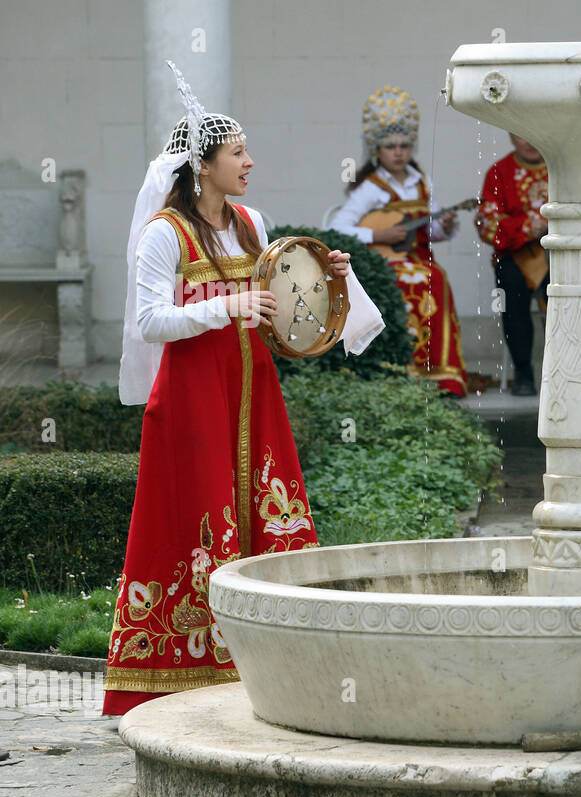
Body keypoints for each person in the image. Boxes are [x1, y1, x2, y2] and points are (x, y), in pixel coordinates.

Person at [104, 62, 381, 716]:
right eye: (238, 153)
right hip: (192, 402)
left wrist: (329, 276)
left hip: (256, 395)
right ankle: (184, 675)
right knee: (197, 522)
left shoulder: (252, 224)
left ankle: (274, 661)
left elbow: (290, 302)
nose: (250, 161)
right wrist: (224, 308)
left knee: (267, 511)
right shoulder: (163, 236)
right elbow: (147, 324)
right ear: (203, 166)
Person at [328, 85, 467, 395]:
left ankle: (437, 373)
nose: (399, 152)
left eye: (404, 145)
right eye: (390, 146)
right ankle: (398, 369)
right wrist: (378, 235)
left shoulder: (423, 182)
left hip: (420, 258)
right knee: (409, 280)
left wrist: (443, 225)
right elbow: (339, 227)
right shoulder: (371, 188)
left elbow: (429, 233)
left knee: (437, 278)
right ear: (377, 150)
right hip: (384, 263)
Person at [477, 134, 549, 396]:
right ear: (509, 134)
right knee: (511, 288)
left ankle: (567, 371)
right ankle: (523, 371)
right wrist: (530, 227)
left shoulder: (561, 164)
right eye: (520, 133)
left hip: (560, 254)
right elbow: (487, 225)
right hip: (516, 255)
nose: (529, 140)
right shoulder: (499, 172)